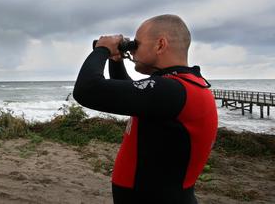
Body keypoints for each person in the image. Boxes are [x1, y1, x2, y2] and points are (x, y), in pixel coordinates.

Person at [73, 14, 218, 204]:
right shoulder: (183, 87)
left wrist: (102, 49)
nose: (132, 52)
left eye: (136, 44)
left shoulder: (171, 90)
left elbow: (87, 90)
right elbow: (128, 97)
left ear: (160, 45)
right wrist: (116, 61)